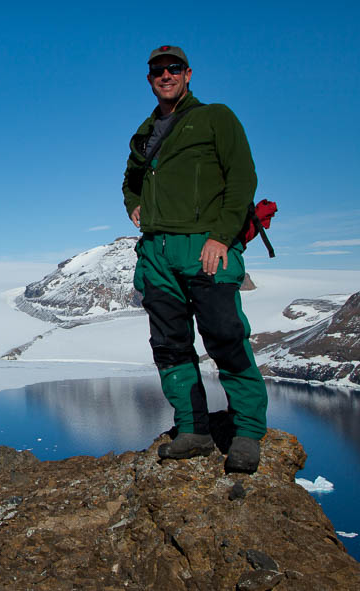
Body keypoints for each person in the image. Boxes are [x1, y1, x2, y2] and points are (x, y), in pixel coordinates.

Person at [121, 45, 268, 473]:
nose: (165, 75)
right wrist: (134, 203)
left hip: (205, 247)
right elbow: (130, 179)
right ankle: (193, 430)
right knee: (169, 345)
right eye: (157, 71)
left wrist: (222, 236)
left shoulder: (215, 117)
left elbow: (242, 176)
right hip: (157, 253)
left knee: (224, 336)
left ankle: (247, 433)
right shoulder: (146, 131)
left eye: (173, 69)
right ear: (149, 78)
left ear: (187, 74)